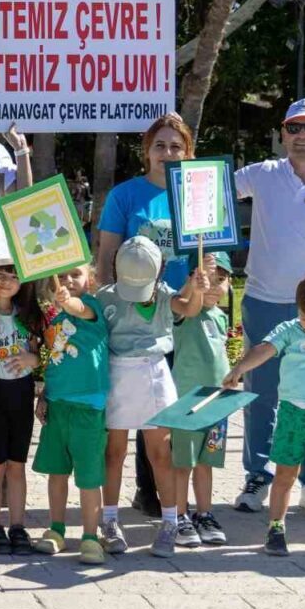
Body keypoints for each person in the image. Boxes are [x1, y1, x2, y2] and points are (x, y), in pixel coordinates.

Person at [232, 98, 305, 514]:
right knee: (261, 395)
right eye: (294, 127)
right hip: (263, 300)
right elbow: (205, 190)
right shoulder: (261, 174)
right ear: (282, 134)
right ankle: (258, 477)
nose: (302, 136)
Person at [96, 112, 196, 517]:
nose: (167, 152)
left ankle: (170, 493)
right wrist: (104, 307)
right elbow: (106, 255)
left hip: (183, 308)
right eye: (160, 145)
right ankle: (143, 493)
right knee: (132, 404)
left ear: (187, 153)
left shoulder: (196, 195)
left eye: (175, 146)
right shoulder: (125, 195)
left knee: (167, 409)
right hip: (134, 315)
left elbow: (213, 252)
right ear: (146, 152)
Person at [96, 237, 207, 559]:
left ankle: (171, 521)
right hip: (116, 375)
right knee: (113, 453)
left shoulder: (162, 295)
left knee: (160, 453)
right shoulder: (105, 297)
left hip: (155, 375)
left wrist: (196, 288)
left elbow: (189, 308)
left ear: (158, 272)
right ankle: (109, 520)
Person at [224, 273, 305, 561]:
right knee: (284, 474)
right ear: (297, 308)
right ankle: (276, 529)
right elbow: (264, 349)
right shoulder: (289, 330)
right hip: (292, 414)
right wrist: (239, 369)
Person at [31, 263, 110, 565]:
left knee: (89, 476)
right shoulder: (54, 318)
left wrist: (69, 301)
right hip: (58, 404)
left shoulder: (91, 307)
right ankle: (56, 529)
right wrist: (45, 395)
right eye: (61, 275)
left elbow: (79, 309)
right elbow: (55, 359)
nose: (67, 280)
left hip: (88, 408)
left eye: (75, 274)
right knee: (57, 471)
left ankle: (90, 536)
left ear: (90, 279)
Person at [0, 267, 44, 555]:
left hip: (21, 393)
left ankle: (17, 525)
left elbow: (47, 353)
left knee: (17, 465)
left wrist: (34, 359)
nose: (5, 281)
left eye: (13, 275)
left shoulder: (28, 316)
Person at [170, 251, 234, 549]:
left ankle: (204, 513)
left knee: (207, 461)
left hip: (217, 401)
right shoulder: (187, 311)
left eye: (219, 280)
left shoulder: (221, 317)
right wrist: (193, 283)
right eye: (206, 280)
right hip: (187, 402)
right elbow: (181, 304)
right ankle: (179, 515)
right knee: (183, 462)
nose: (212, 286)